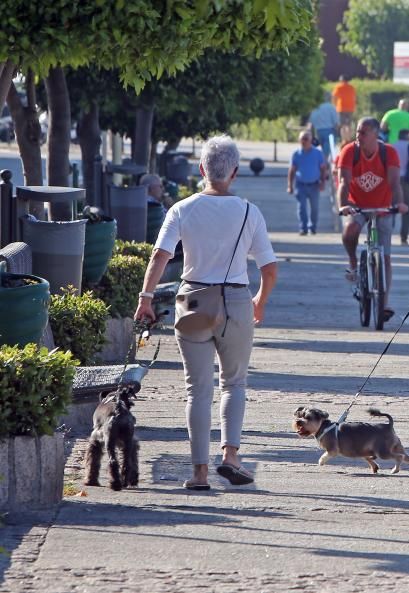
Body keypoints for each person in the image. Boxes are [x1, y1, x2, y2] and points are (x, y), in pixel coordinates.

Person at [134, 135, 278, 491]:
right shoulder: (249, 211)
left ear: (201, 170)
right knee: (234, 383)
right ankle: (230, 456)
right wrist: (259, 299)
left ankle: (198, 474)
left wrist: (146, 298)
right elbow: (270, 269)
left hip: (193, 301)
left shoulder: (181, 209)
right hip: (236, 303)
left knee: (196, 390)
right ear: (235, 172)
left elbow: (159, 257)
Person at [336, 117, 409, 322]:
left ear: (375, 134)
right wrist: (343, 206)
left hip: (382, 207)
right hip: (356, 205)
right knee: (350, 231)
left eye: (363, 132)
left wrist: (399, 204)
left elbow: (395, 183)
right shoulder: (350, 151)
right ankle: (352, 260)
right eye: (358, 132)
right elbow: (343, 182)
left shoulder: (388, 152)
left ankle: (383, 305)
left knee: (385, 257)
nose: (358, 136)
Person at [287, 131, 329, 235]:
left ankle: (313, 227)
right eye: (302, 139)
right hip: (300, 184)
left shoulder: (317, 153)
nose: (304, 141)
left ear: (311, 140)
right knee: (301, 208)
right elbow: (292, 170)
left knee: (314, 208)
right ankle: (303, 228)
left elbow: (323, 169)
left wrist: (323, 183)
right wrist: (290, 185)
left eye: (306, 139)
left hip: (314, 184)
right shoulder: (296, 154)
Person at [391, 129, 409, 245]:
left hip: (394, 179)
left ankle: (389, 228)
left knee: (391, 206)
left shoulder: (392, 147)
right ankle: (404, 237)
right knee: (407, 208)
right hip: (407, 180)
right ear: (407, 136)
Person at [309, 92, 340, 161]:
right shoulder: (331, 107)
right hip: (329, 132)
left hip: (318, 132)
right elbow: (336, 122)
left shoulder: (316, 107)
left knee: (324, 151)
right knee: (327, 154)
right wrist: (338, 133)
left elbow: (311, 123)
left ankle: (324, 167)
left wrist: (312, 135)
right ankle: (324, 168)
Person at [333, 76, 357, 141]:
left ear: (341, 80)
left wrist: (335, 106)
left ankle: (344, 139)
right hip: (350, 108)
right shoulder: (351, 87)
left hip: (341, 108)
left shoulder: (338, 87)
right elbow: (354, 98)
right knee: (349, 125)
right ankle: (349, 139)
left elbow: (334, 97)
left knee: (342, 125)